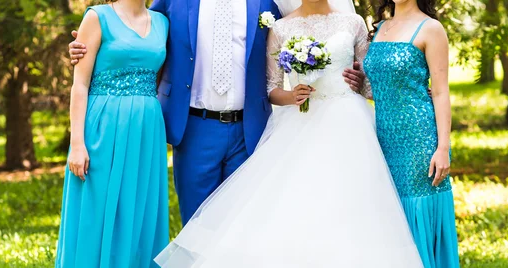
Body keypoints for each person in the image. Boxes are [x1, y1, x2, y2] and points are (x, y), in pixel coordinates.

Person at [128, 0, 454, 268]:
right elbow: (270, 87)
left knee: (354, 214)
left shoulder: (354, 22)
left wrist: (360, 81)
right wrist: (292, 94)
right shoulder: (280, 25)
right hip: (292, 126)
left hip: (349, 126)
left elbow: (370, 82)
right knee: (288, 214)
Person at [68, 0, 367, 225]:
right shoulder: (173, 1)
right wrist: (87, 46)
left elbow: (306, 30)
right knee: (196, 222)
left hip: (249, 130)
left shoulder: (266, 4)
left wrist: (350, 69)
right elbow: (138, 29)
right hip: (195, 127)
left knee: (244, 224)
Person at [44, 0, 169, 268]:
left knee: (139, 221)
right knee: (100, 221)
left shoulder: (162, 21)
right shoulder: (96, 17)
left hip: (146, 133)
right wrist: (77, 143)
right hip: (103, 129)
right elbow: (80, 84)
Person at [363, 0, 481, 268]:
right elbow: (378, 86)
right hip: (382, 137)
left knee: (417, 215)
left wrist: (443, 146)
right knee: (392, 220)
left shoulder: (431, 28)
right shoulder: (380, 28)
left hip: (418, 137)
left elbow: (442, 91)